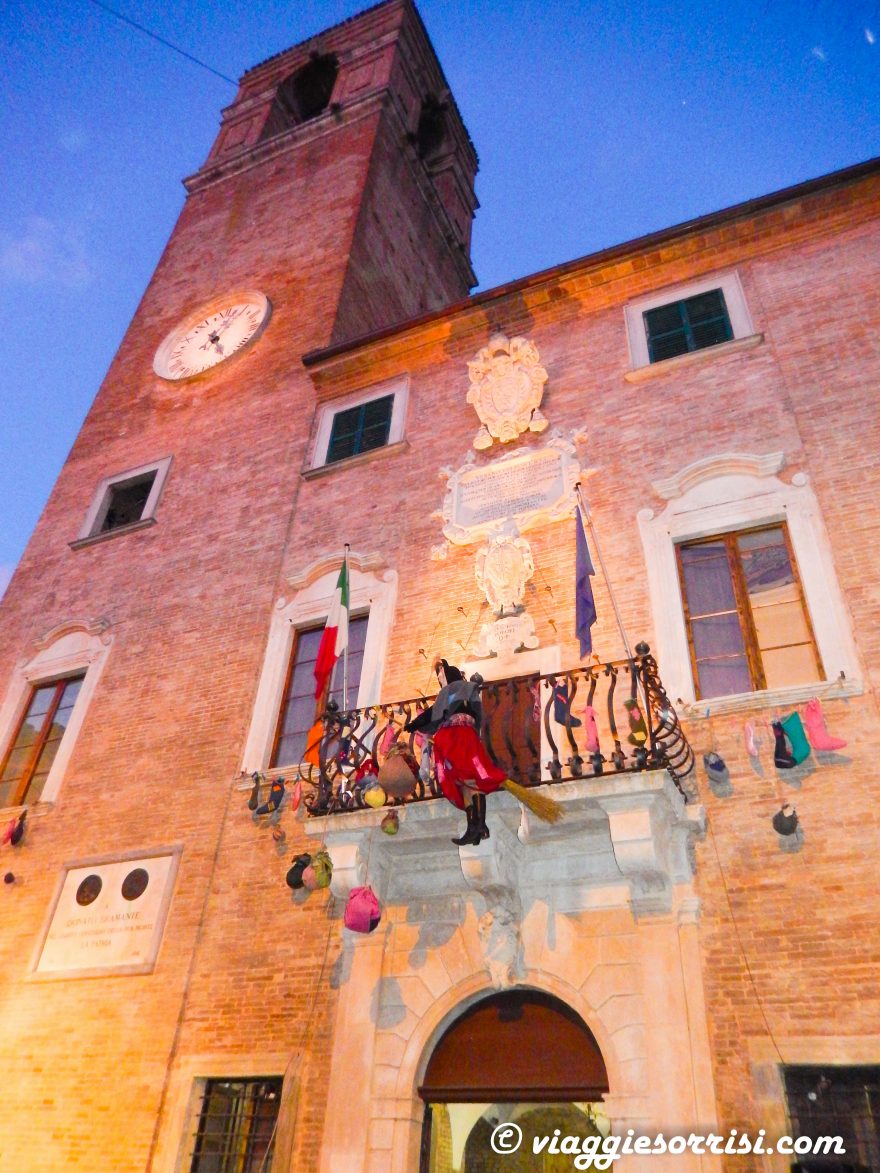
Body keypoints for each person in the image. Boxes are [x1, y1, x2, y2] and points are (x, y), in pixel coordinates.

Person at [405, 659, 507, 845]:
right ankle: (475, 827)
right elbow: (477, 715)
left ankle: (478, 826)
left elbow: (436, 714)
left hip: (455, 736)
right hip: (468, 736)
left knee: (467, 779)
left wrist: (416, 725)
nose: (440, 680)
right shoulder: (470, 691)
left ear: (448, 675)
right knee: (465, 780)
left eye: (441, 676)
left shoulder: (450, 690)